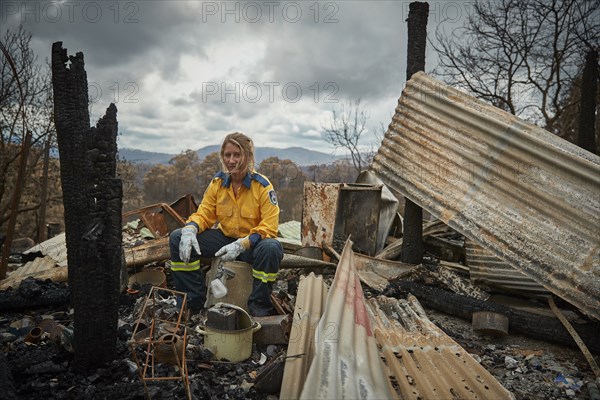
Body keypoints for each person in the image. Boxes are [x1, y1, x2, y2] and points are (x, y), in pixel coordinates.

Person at [169, 132, 283, 317]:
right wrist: (190, 229)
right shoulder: (218, 183)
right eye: (227, 155)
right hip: (224, 240)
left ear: (248, 156)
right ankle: (193, 302)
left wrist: (242, 244)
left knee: (272, 248)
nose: (231, 160)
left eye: (237, 155)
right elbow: (205, 214)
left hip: (251, 245)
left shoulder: (262, 186)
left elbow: (269, 226)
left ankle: (259, 307)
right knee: (177, 237)